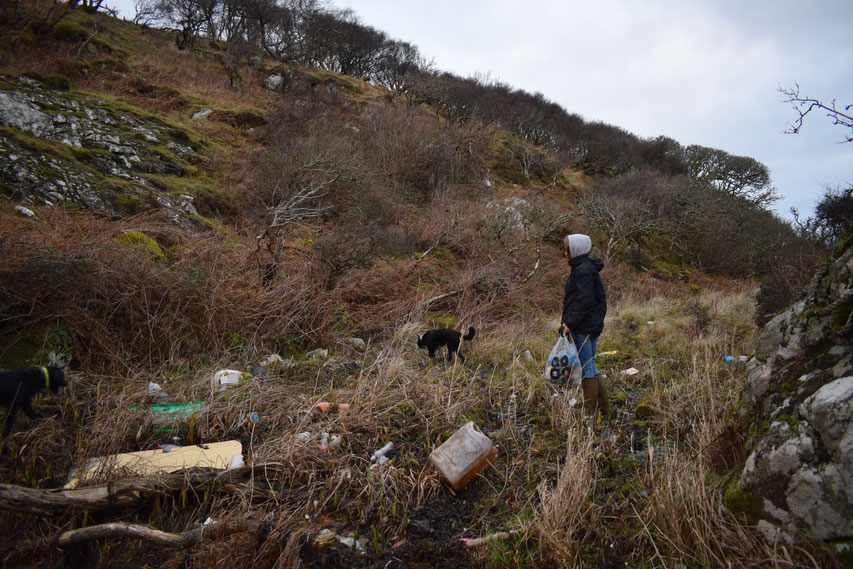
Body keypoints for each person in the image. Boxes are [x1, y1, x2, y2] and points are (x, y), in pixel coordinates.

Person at [560, 234, 611, 417]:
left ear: (576, 250)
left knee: (587, 368)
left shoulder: (582, 270)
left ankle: (589, 411)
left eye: (568, 248)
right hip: (591, 324)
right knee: (592, 366)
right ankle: (605, 410)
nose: (565, 252)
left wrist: (569, 324)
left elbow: (584, 301)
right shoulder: (586, 267)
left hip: (584, 326)